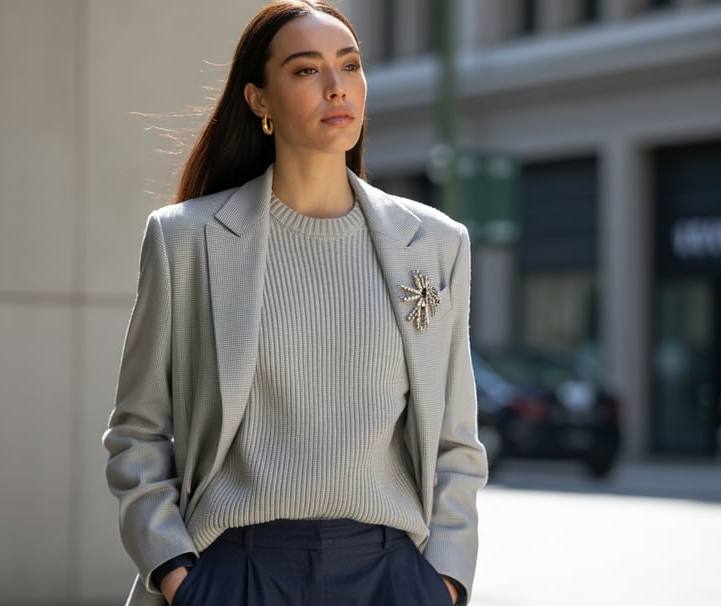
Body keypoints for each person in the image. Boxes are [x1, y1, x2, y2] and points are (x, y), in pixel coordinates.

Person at [103, 2, 487, 604]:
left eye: (351, 65)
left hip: (391, 576)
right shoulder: (186, 240)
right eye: (307, 71)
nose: (338, 88)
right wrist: (178, 574)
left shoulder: (435, 243)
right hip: (236, 573)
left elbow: (456, 441)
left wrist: (444, 582)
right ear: (259, 100)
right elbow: (138, 431)